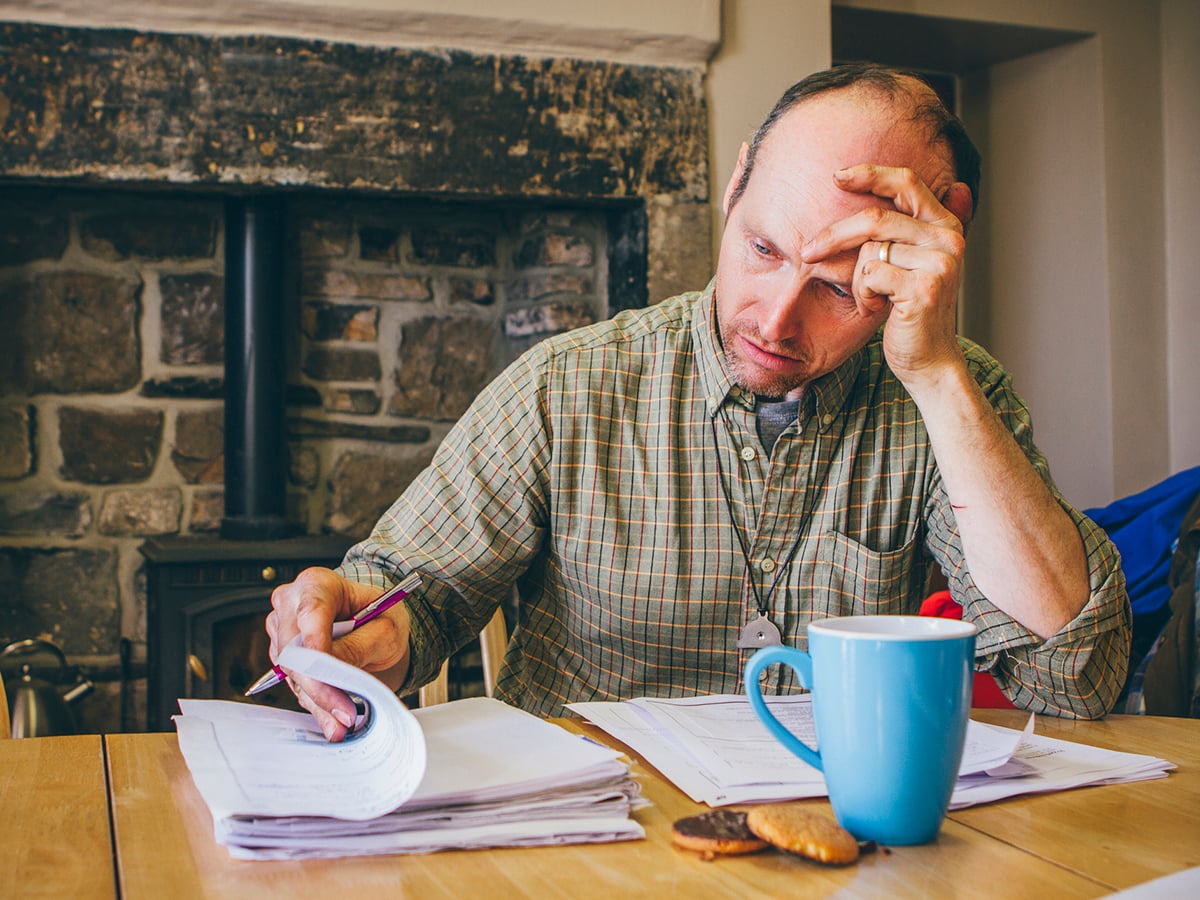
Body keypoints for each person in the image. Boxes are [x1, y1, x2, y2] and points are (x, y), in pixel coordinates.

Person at [265, 63, 1131, 741]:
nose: (775, 318)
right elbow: (412, 592)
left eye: (837, 289)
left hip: (833, 851)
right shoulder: (567, 387)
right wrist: (352, 629)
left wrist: (939, 376)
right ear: (733, 189)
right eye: (759, 247)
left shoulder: (949, 395)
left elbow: (1075, 676)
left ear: (940, 242)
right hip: (589, 856)